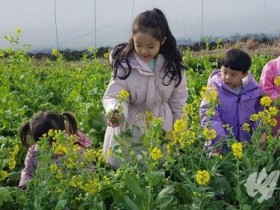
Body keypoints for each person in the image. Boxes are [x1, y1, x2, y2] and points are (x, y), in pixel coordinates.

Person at [102, 8, 188, 167]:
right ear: (132, 39)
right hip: (131, 124)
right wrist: (115, 112)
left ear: (162, 41)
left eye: (150, 46)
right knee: (127, 169)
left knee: (158, 170)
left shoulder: (172, 66)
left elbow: (178, 101)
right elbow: (114, 95)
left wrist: (179, 130)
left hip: (161, 123)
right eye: (138, 44)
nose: (143, 51)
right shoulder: (125, 64)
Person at [200, 48, 263, 153]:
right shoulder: (214, 89)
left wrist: (259, 134)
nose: (227, 77)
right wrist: (219, 141)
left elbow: (260, 113)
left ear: (244, 74)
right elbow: (210, 117)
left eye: (233, 75)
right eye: (224, 72)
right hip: (219, 146)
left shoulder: (253, 90)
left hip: (247, 146)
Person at [18, 111, 92, 188]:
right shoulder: (34, 152)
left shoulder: (75, 149)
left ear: (61, 134)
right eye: (42, 143)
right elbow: (28, 172)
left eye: (51, 143)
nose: (48, 148)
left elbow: (89, 171)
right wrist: (25, 185)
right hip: (45, 191)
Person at [259, 55, 280, 136]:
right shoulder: (271, 66)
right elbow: (265, 88)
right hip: (276, 113)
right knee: (275, 140)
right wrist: (277, 98)